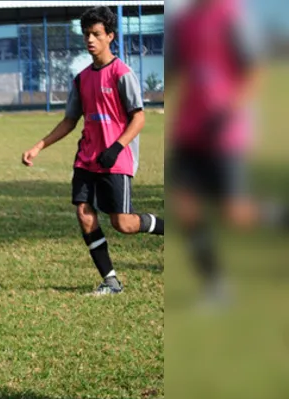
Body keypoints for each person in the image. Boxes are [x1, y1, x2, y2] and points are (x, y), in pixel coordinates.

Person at [21, 6, 164, 296]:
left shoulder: (122, 73)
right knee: (84, 213)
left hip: (115, 159)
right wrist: (38, 146)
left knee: (122, 223)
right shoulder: (82, 78)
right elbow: (70, 121)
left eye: (97, 34)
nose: (90, 39)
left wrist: (116, 148)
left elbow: (139, 117)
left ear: (110, 36)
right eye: (87, 34)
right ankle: (110, 281)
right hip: (87, 158)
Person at [167, 0, 286, 305]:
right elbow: (174, 69)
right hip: (190, 130)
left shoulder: (231, 15)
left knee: (234, 214)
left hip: (224, 134)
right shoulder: (185, 21)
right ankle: (216, 287)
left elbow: (255, 71)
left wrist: (228, 111)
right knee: (186, 206)